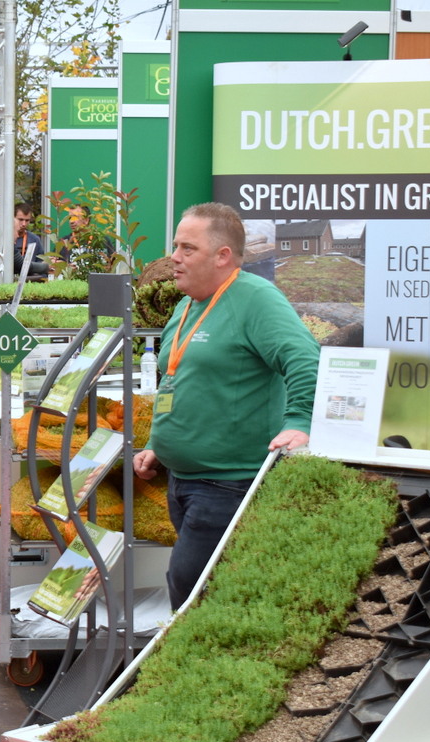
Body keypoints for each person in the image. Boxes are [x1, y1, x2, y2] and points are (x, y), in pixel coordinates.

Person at [134, 202, 319, 609]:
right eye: (176, 246)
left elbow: (305, 358)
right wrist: (157, 444)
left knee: (191, 592)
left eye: (188, 248)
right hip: (183, 482)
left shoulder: (255, 299)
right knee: (199, 594)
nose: (174, 257)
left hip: (228, 485)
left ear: (222, 256)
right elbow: (178, 380)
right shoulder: (187, 305)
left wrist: (299, 421)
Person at [13, 202, 48, 278]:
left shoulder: (34, 239)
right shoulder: (3, 240)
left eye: (27, 220)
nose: (23, 224)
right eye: (20, 220)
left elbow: (41, 266)